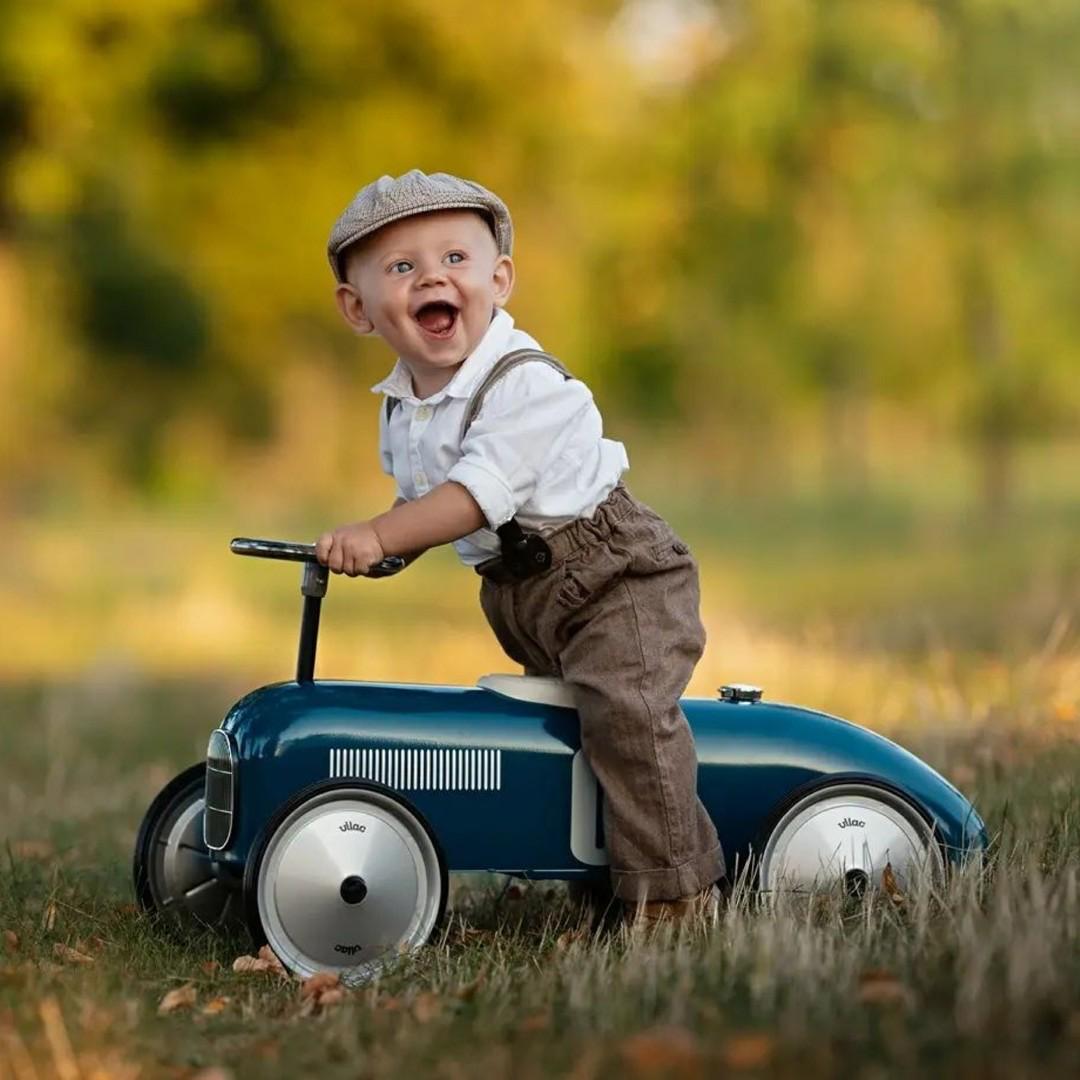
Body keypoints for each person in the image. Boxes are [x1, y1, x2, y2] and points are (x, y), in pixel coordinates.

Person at [316, 169, 724, 922]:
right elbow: (427, 507)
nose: (433, 276)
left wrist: (379, 535)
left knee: (626, 715)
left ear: (500, 279)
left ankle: (675, 892)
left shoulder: (525, 384)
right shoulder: (406, 406)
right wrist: (384, 547)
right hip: (523, 593)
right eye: (402, 268)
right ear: (359, 308)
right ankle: (591, 876)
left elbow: (471, 497)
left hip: (613, 576)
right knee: (560, 729)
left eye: (456, 260)